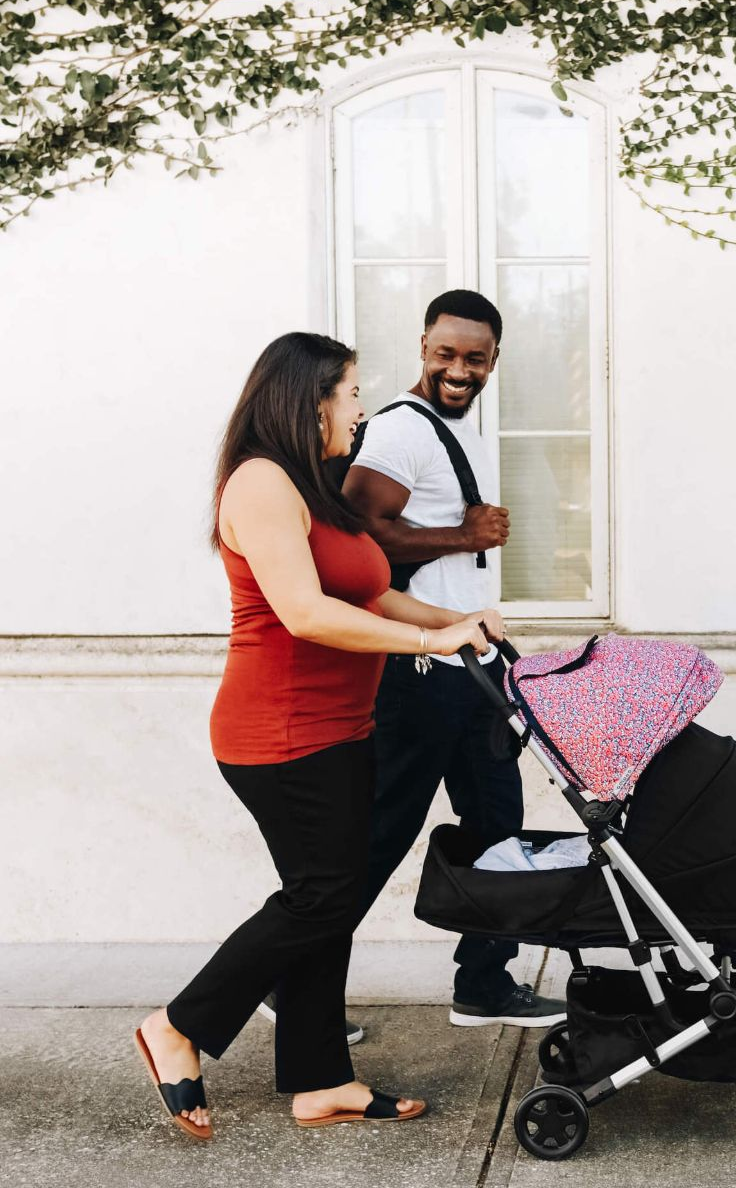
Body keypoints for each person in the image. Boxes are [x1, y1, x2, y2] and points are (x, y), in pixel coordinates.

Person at [135, 332, 505, 1140]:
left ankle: (318, 1081)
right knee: (320, 897)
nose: (362, 407)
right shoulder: (261, 483)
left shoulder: (315, 484)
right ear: (310, 401)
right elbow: (304, 612)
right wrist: (428, 646)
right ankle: (179, 1024)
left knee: (327, 899)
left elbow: (369, 593)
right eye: (351, 393)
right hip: (281, 731)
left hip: (337, 728)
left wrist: (455, 620)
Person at [342, 289, 566, 1027]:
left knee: (498, 825)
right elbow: (361, 538)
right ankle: (293, 979)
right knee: (378, 833)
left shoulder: (459, 423)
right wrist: (464, 538)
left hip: (470, 667)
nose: (459, 369)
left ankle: (485, 981)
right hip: (417, 674)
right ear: (423, 348)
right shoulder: (401, 432)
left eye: (475, 357)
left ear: (495, 358)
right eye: (446, 354)